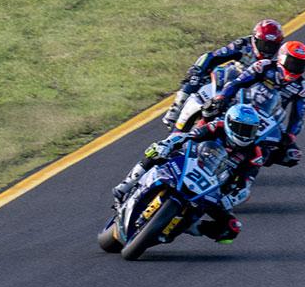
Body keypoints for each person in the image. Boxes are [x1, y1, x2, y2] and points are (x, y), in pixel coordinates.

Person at [113, 103, 268, 244]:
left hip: (213, 188)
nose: (246, 134)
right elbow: (189, 136)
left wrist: (231, 199)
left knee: (232, 229)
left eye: (251, 130)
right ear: (230, 123)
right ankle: (125, 185)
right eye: (242, 129)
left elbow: (246, 184)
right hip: (189, 165)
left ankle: (192, 226)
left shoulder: (255, 153)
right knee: (156, 151)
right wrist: (168, 144)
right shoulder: (217, 126)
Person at [205, 40, 305, 168]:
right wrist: (222, 97)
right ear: (282, 58)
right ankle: (191, 136)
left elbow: (298, 117)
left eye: (300, 65)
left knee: (291, 155)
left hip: (269, 119)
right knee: (211, 110)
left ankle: (247, 173)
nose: (295, 68)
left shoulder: (302, 87)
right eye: (292, 63)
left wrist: (290, 135)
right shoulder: (264, 66)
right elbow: (238, 82)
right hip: (242, 105)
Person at [163, 19, 283, 126]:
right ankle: (176, 108)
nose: (268, 50)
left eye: (272, 46)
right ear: (254, 40)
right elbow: (212, 56)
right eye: (264, 45)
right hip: (232, 79)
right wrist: (198, 71)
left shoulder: (282, 57)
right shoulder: (243, 45)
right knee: (196, 77)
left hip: (256, 92)